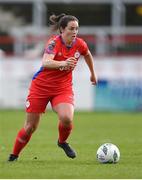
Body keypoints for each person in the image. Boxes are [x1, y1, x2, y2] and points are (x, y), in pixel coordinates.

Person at [8, 13, 97, 161]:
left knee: (67, 118)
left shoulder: (80, 44)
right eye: (71, 28)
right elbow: (46, 62)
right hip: (40, 87)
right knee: (30, 127)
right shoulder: (53, 43)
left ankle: (62, 142)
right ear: (62, 29)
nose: (75, 32)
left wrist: (93, 73)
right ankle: (14, 155)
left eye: (77, 29)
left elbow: (87, 54)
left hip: (62, 88)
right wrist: (63, 63)